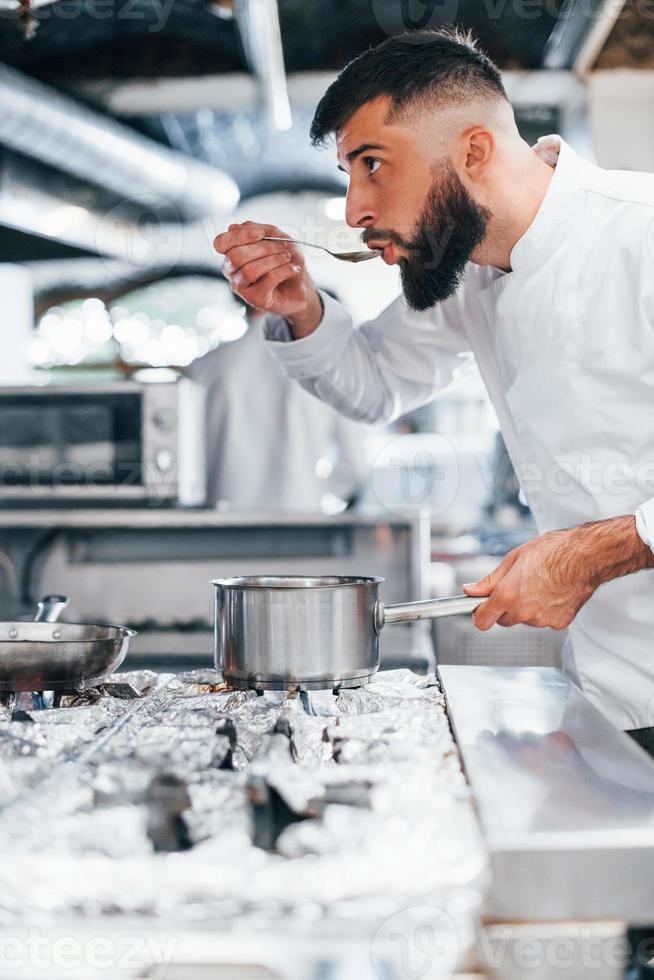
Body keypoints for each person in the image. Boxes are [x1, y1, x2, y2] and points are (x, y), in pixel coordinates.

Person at [214, 29, 654, 738]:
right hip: (612, 696)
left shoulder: (642, 233)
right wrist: (301, 307)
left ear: (473, 152)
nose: (355, 208)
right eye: (347, 176)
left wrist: (586, 554)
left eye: (373, 164)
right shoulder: (470, 272)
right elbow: (374, 384)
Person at [187, 304, 367, 512]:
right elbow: (356, 468)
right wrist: (312, 490)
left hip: (222, 524)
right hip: (300, 520)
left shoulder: (204, 368)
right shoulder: (327, 368)